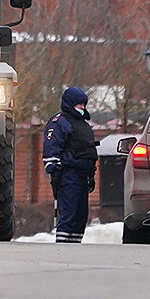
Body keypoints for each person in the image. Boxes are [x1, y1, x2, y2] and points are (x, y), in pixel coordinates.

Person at [42, 86, 98, 243]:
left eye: (83, 104)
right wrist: (55, 173)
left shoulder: (83, 125)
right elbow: (52, 147)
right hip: (68, 175)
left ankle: (74, 247)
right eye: (78, 104)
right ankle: (63, 249)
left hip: (82, 176)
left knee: (80, 217)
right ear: (70, 103)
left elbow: (88, 151)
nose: (82, 107)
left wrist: (91, 175)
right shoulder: (60, 122)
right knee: (68, 215)